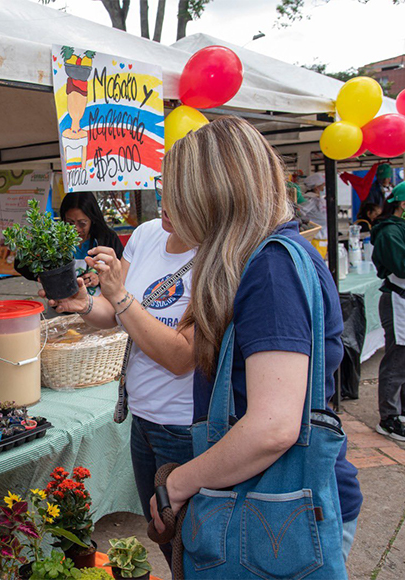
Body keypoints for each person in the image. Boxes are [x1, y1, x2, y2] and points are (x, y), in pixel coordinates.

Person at [149, 118, 362, 564]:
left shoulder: (270, 269)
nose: (166, 206)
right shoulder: (266, 259)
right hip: (274, 503)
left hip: (280, 511)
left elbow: (272, 427)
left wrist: (180, 483)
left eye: (175, 193)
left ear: (210, 195)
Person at [46, 206, 195, 567]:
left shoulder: (212, 252)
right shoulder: (147, 235)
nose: (165, 204)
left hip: (185, 426)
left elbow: (181, 356)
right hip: (141, 419)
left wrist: (118, 293)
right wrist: (83, 303)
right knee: (162, 534)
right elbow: (114, 313)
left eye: (177, 194)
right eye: (163, 189)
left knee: (191, 542)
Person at [371, 182, 405, 441]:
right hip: (397, 300)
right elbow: (400, 266)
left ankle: (401, 410)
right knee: (397, 358)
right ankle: (389, 417)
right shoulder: (389, 232)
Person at [59, 192, 124, 295]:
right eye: (70, 223)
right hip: (63, 306)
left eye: (82, 223)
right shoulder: (56, 240)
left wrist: (99, 278)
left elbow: (122, 273)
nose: (76, 229)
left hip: (101, 306)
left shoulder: (108, 238)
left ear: (92, 219)